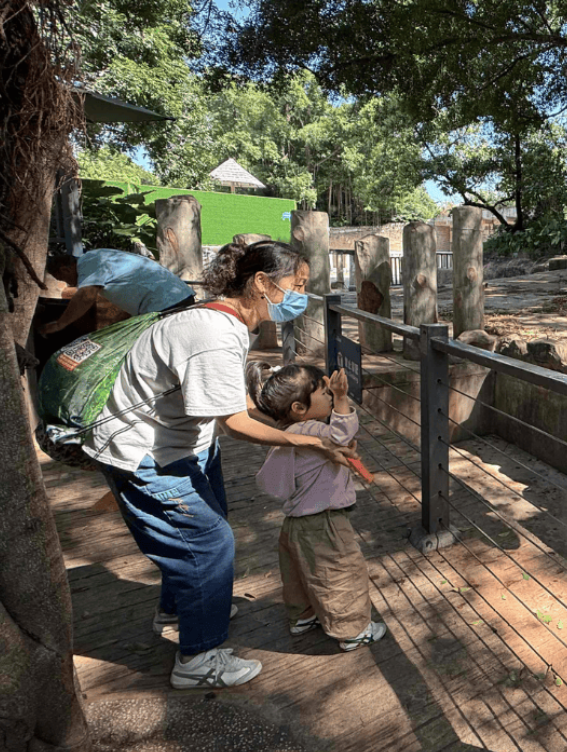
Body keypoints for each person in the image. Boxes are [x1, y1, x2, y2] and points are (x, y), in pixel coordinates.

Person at [84, 240, 363, 689]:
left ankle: (182, 608)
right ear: (261, 283)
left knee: (203, 538)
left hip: (183, 443)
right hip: (146, 453)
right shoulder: (214, 332)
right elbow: (234, 424)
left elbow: (224, 405)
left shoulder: (225, 321)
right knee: (210, 547)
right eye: (297, 285)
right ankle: (197, 658)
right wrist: (309, 445)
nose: (300, 295)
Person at [248, 362, 387, 652]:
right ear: (299, 407)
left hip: (296, 522)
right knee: (339, 574)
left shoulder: (288, 432)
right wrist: (342, 398)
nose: (329, 397)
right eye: (324, 394)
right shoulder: (312, 430)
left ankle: (303, 616)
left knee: (299, 572)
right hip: (324, 521)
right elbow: (344, 433)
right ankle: (353, 631)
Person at [39, 249, 195, 336]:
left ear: (65, 269)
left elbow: (86, 296)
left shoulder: (87, 263)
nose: (68, 284)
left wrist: (61, 323)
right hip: (175, 299)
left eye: (62, 278)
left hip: (168, 303)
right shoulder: (97, 257)